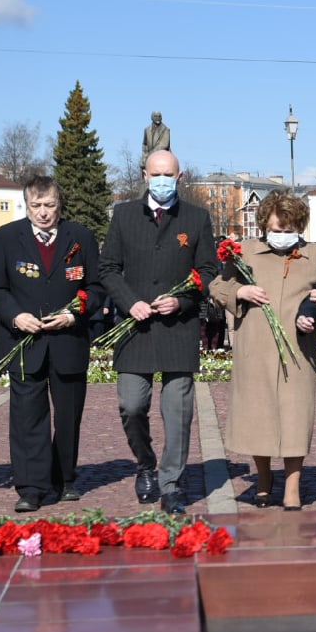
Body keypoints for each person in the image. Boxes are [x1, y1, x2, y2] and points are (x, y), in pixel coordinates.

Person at [100, 149, 219, 514]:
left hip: (177, 328)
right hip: (134, 326)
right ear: (144, 176)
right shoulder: (122, 214)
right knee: (131, 404)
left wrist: (182, 302)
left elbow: (208, 271)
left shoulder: (197, 218)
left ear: (180, 177)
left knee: (178, 412)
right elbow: (108, 268)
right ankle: (145, 463)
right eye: (156, 174)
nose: (163, 180)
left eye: (169, 175)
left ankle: (171, 483)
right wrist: (128, 301)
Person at [0, 177, 103, 512]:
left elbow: (95, 288)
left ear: (59, 204)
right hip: (26, 341)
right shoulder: (7, 237)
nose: (43, 213)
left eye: (49, 205)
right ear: (27, 205)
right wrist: (15, 316)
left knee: (68, 416)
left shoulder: (80, 237)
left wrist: (73, 314)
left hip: (68, 340)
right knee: (27, 418)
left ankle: (64, 477)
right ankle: (31, 486)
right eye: (36, 206)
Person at [209, 191, 316, 510]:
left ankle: (293, 485)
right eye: (276, 230)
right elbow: (217, 287)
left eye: (288, 229)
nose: (281, 236)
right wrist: (241, 290)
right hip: (256, 346)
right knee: (257, 417)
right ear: (265, 226)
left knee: (295, 417)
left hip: (297, 351)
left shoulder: (315, 256)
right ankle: (263, 478)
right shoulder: (245, 252)